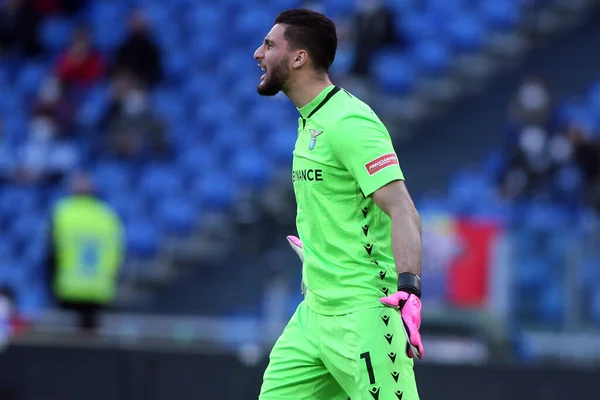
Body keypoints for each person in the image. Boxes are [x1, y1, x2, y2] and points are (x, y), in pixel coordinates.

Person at [254, 9, 423, 400]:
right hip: (313, 315)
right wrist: (320, 246)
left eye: (268, 45)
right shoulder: (309, 120)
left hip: (365, 313)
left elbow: (403, 210)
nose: (258, 54)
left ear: (299, 57)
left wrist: (409, 289)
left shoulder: (350, 122)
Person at [46, 172, 124, 333]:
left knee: (65, 346)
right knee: (92, 344)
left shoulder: (62, 213)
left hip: (68, 288)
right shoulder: (107, 215)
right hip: (99, 289)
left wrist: (50, 283)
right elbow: (118, 254)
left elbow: (51, 252)